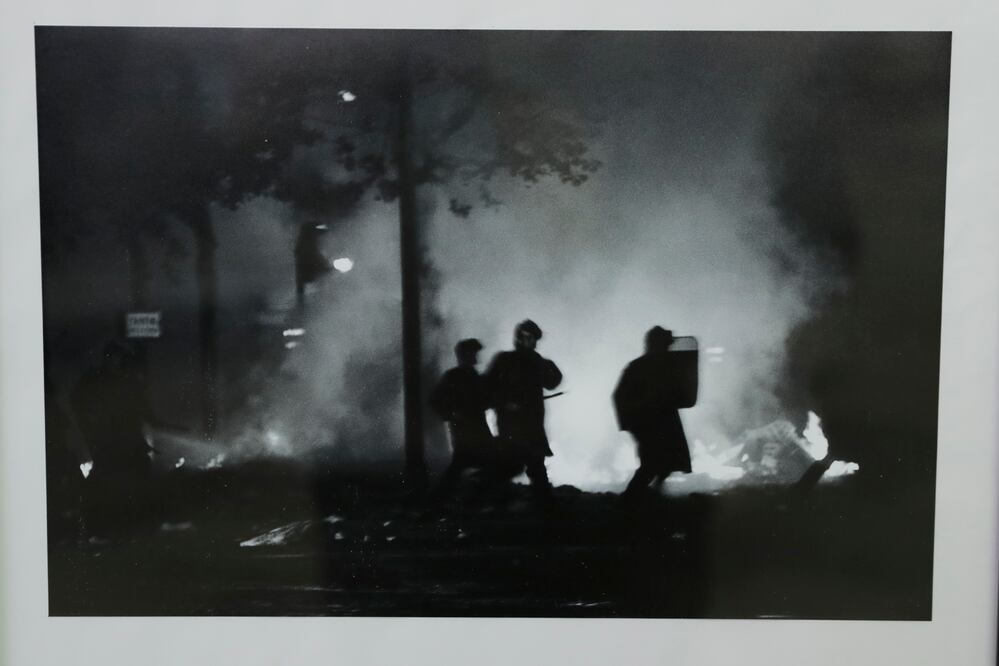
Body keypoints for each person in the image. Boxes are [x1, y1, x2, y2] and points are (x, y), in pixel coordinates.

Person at [485, 320, 563, 503]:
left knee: (534, 464)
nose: (533, 342)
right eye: (529, 337)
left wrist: (544, 363)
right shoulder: (504, 360)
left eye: (534, 339)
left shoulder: (536, 362)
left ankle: (544, 506)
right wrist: (504, 403)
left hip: (532, 425)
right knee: (513, 465)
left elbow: (553, 381)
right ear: (519, 338)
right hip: (510, 424)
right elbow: (488, 387)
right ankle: (489, 500)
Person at [613, 326, 692, 501]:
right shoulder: (638, 367)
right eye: (664, 344)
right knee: (650, 465)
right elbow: (620, 396)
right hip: (647, 423)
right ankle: (628, 501)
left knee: (666, 462)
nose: (667, 348)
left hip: (663, 421)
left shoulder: (666, 367)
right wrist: (629, 422)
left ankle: (653, 493)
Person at [429, 338, 496, 499]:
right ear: (465, 355)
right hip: (463, 430)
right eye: (473, 353)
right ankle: (440, 501)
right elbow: (435, 400)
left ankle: (446, 500)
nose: (476, 357)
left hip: (478, 428)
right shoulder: (452, 377)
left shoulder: (476, 377)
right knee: (463, 463)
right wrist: (452, 414)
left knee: (481, 463)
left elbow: (485, 400)